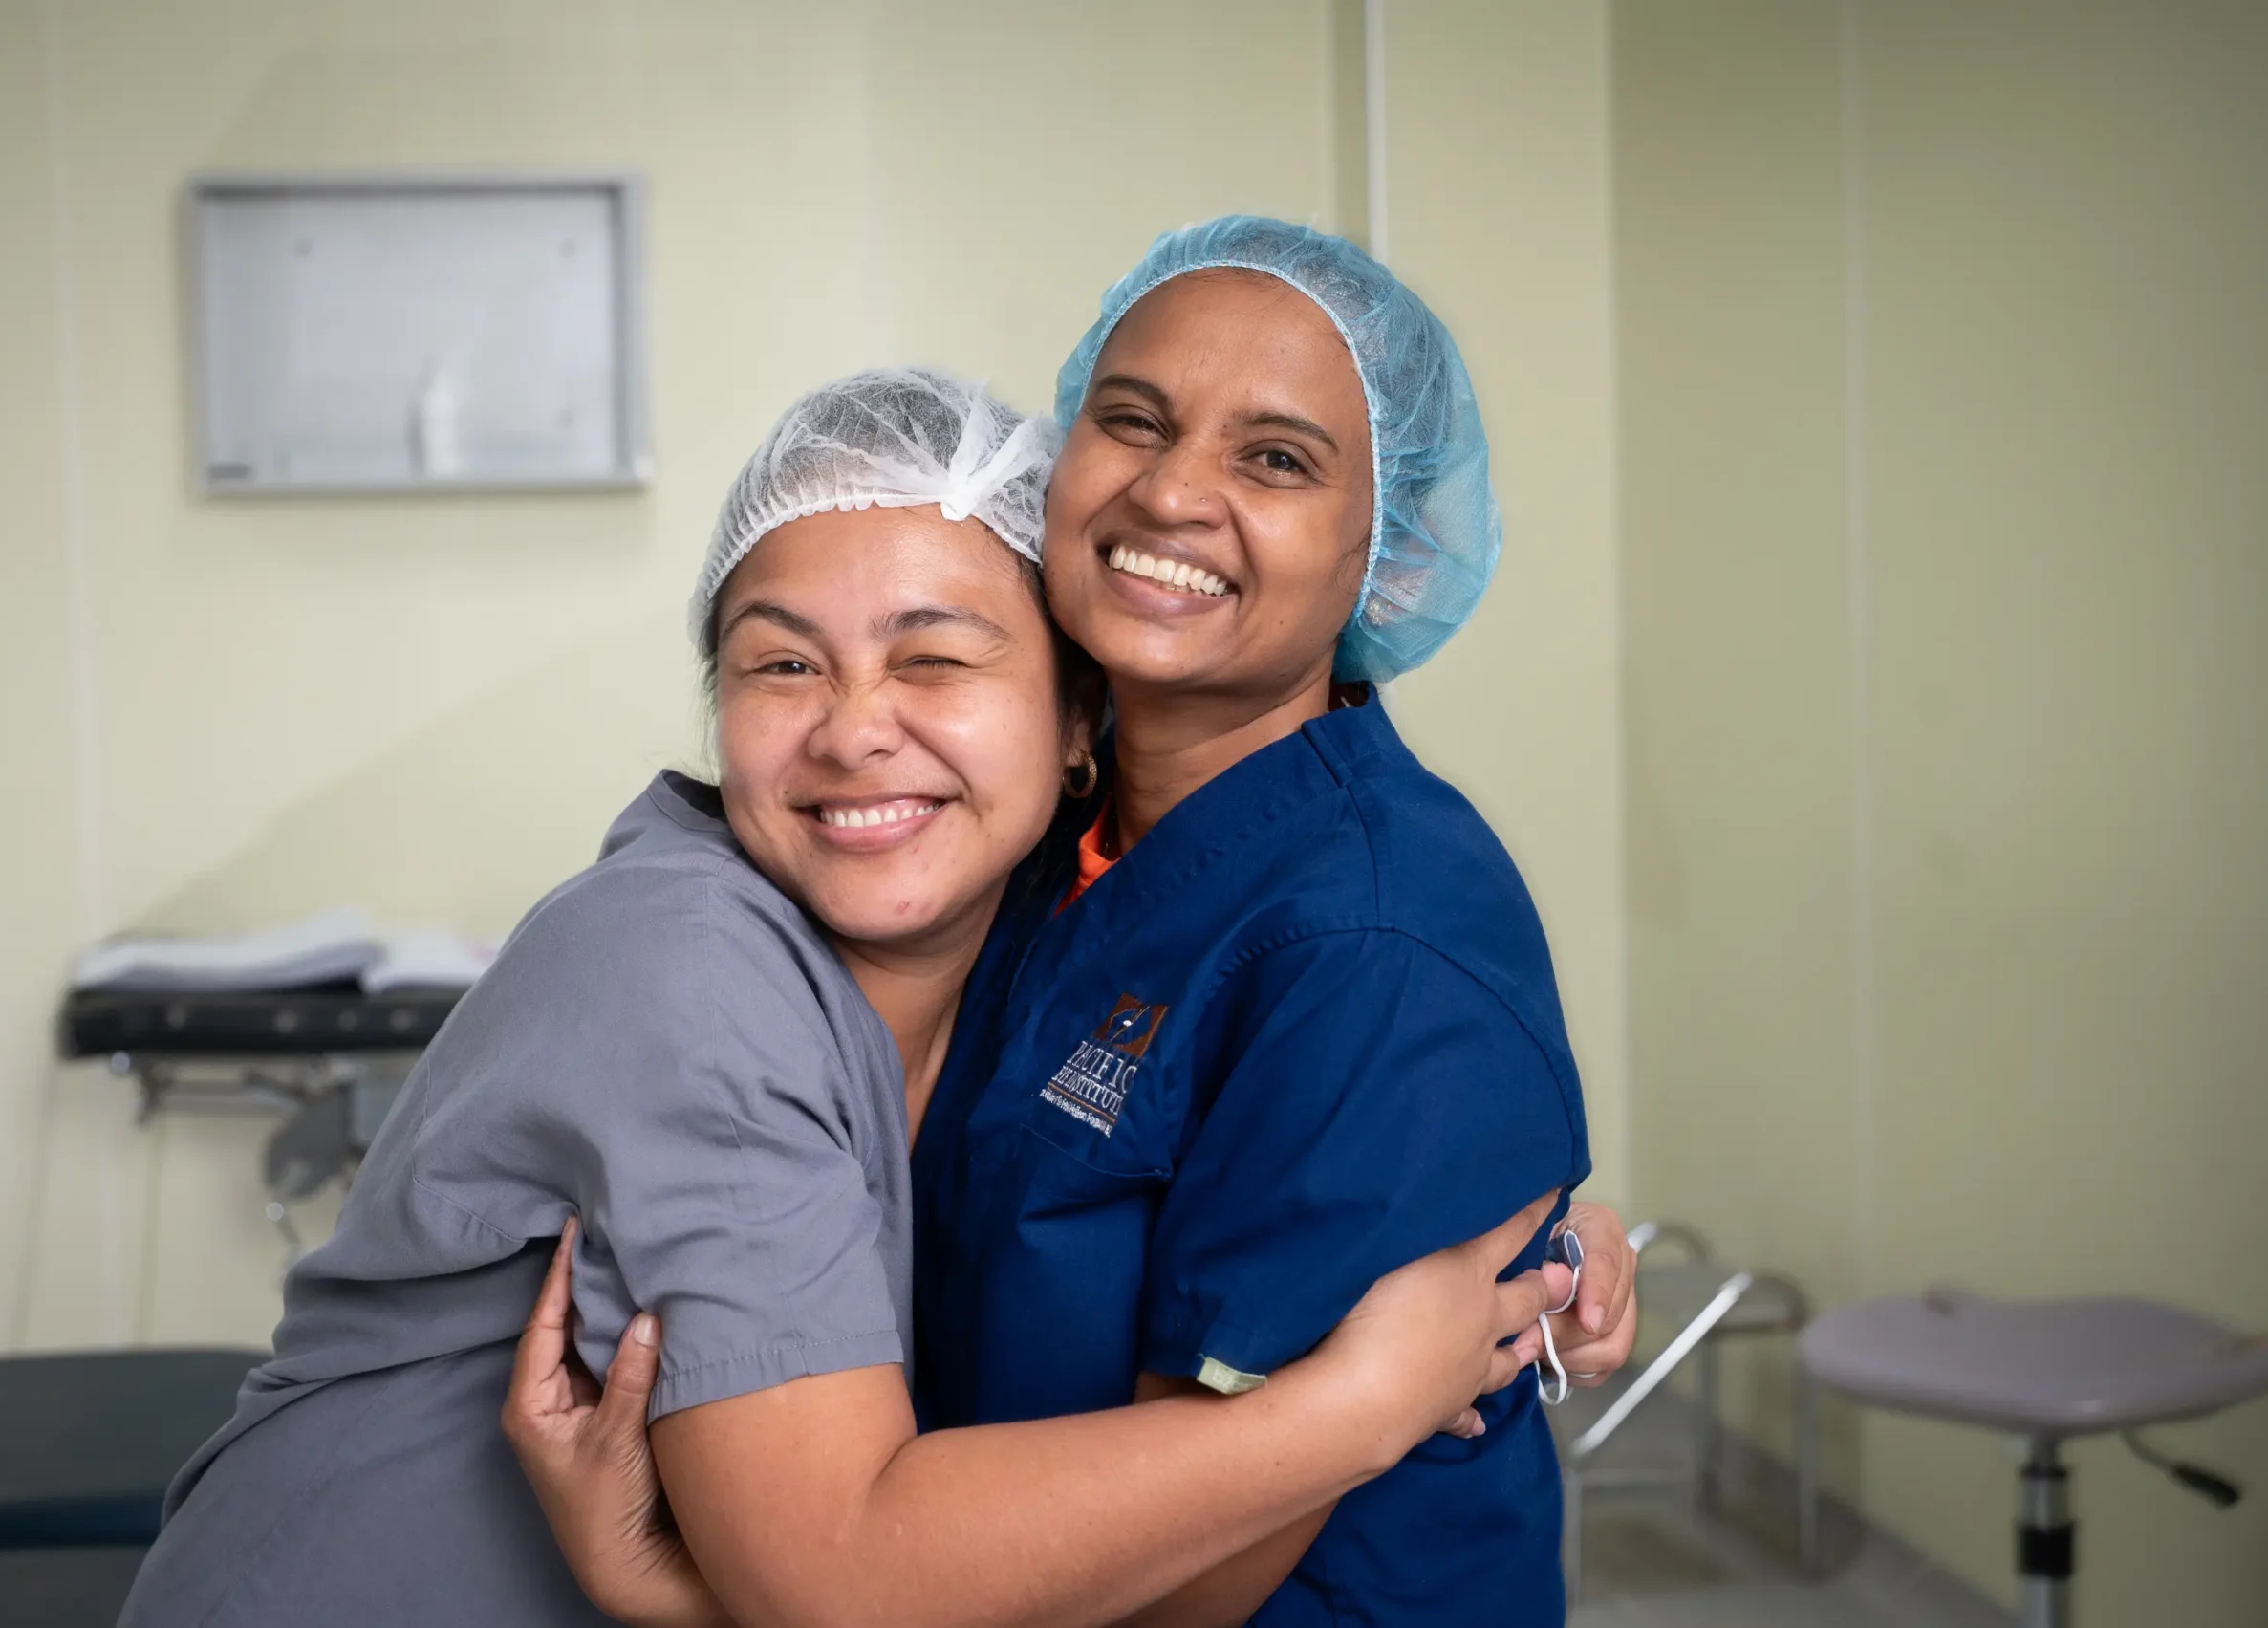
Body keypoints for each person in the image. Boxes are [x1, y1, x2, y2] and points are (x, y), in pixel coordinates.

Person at [117, 368, 1592, 1628]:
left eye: (936, 657)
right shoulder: (687, 966)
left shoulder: (1024, 927)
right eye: (780, 663)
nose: (855, 732)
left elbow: (1246, 1082)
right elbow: (839, 1577)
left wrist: (1540, 1235)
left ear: (1080, 718)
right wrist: (1356, 1401)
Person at [513, 220, 1628, 1627]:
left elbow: (1190, 1579)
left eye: (1275, 459)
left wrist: (707, 1597)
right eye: (1132, 420)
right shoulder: (1038, 838)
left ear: (1384, 553)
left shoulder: (1370, 945)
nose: (1173, 491)